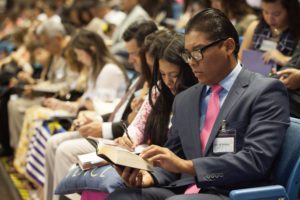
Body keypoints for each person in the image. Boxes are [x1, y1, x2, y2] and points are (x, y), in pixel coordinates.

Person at [107, 8, 290, 200]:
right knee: (124, 196)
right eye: (187, 54)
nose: (191, 62)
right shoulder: (186, 98)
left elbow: (255, 161)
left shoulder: (265, 91)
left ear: (228, 46)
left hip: (233, 192)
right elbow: (173, 158)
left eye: (197, 52)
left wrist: (188, 166)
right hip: (187, 190)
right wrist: (149, 177)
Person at [44, 20, 158, 200]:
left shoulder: (150, 80)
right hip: (120, 135)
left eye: (134, 53)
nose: (130, 59)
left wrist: (102, 124)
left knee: (64, 149)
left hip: (125, 141)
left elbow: (133, 124)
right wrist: (97, 119)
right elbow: (124, 116)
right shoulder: (141, 77)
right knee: (54, 142)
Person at [239, 0, 300, 68]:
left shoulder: (296, 32)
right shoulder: (255, 27)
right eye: (266, 12)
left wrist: (284, 59)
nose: (270, 19)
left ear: (290, 11)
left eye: (276, 14)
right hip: (253, 75)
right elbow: (240, 59)